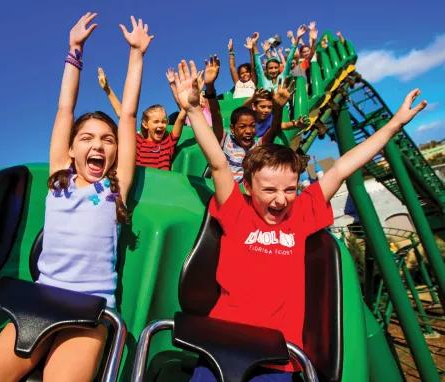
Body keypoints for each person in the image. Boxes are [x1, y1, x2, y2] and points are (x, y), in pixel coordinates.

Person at [171, 58, 426, 381]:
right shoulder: (237, 210)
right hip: (222, 342)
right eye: (270, 190)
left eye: (289, 189)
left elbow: (342, 168)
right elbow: (219, 164)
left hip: (278, 353)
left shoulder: (302, 212)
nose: (280, 199)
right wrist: (194, 109)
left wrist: (393, 125)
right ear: (248, 186)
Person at [0, 13, 153, 382]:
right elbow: (64, 108)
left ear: (116, 151)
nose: (98, 145)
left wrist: (136, 56)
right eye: (86, 138)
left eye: (107, 139)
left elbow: (130, 114)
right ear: (70, 149)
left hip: (89, 309)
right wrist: (74, 50)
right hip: (40, 299)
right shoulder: (60, 177)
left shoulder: (115, 188)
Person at [203, 56, 293, 183]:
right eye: (242, 126)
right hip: (224, 192)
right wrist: (210, 86)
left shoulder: (257, 147)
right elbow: (216, 114)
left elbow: (273, 129)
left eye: (252, 126)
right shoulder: (225, 140)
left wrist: (278, 108)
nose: (249, 131)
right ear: (233, 128)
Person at [135, 102, 185, 170]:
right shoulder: (138, 142)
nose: (161, 125)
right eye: (156, 122)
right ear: (145, 124)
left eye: (164, 122)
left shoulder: (167, 144)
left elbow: (180, 119)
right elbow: (125, 116)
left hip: (161, 180)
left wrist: (187, 103)